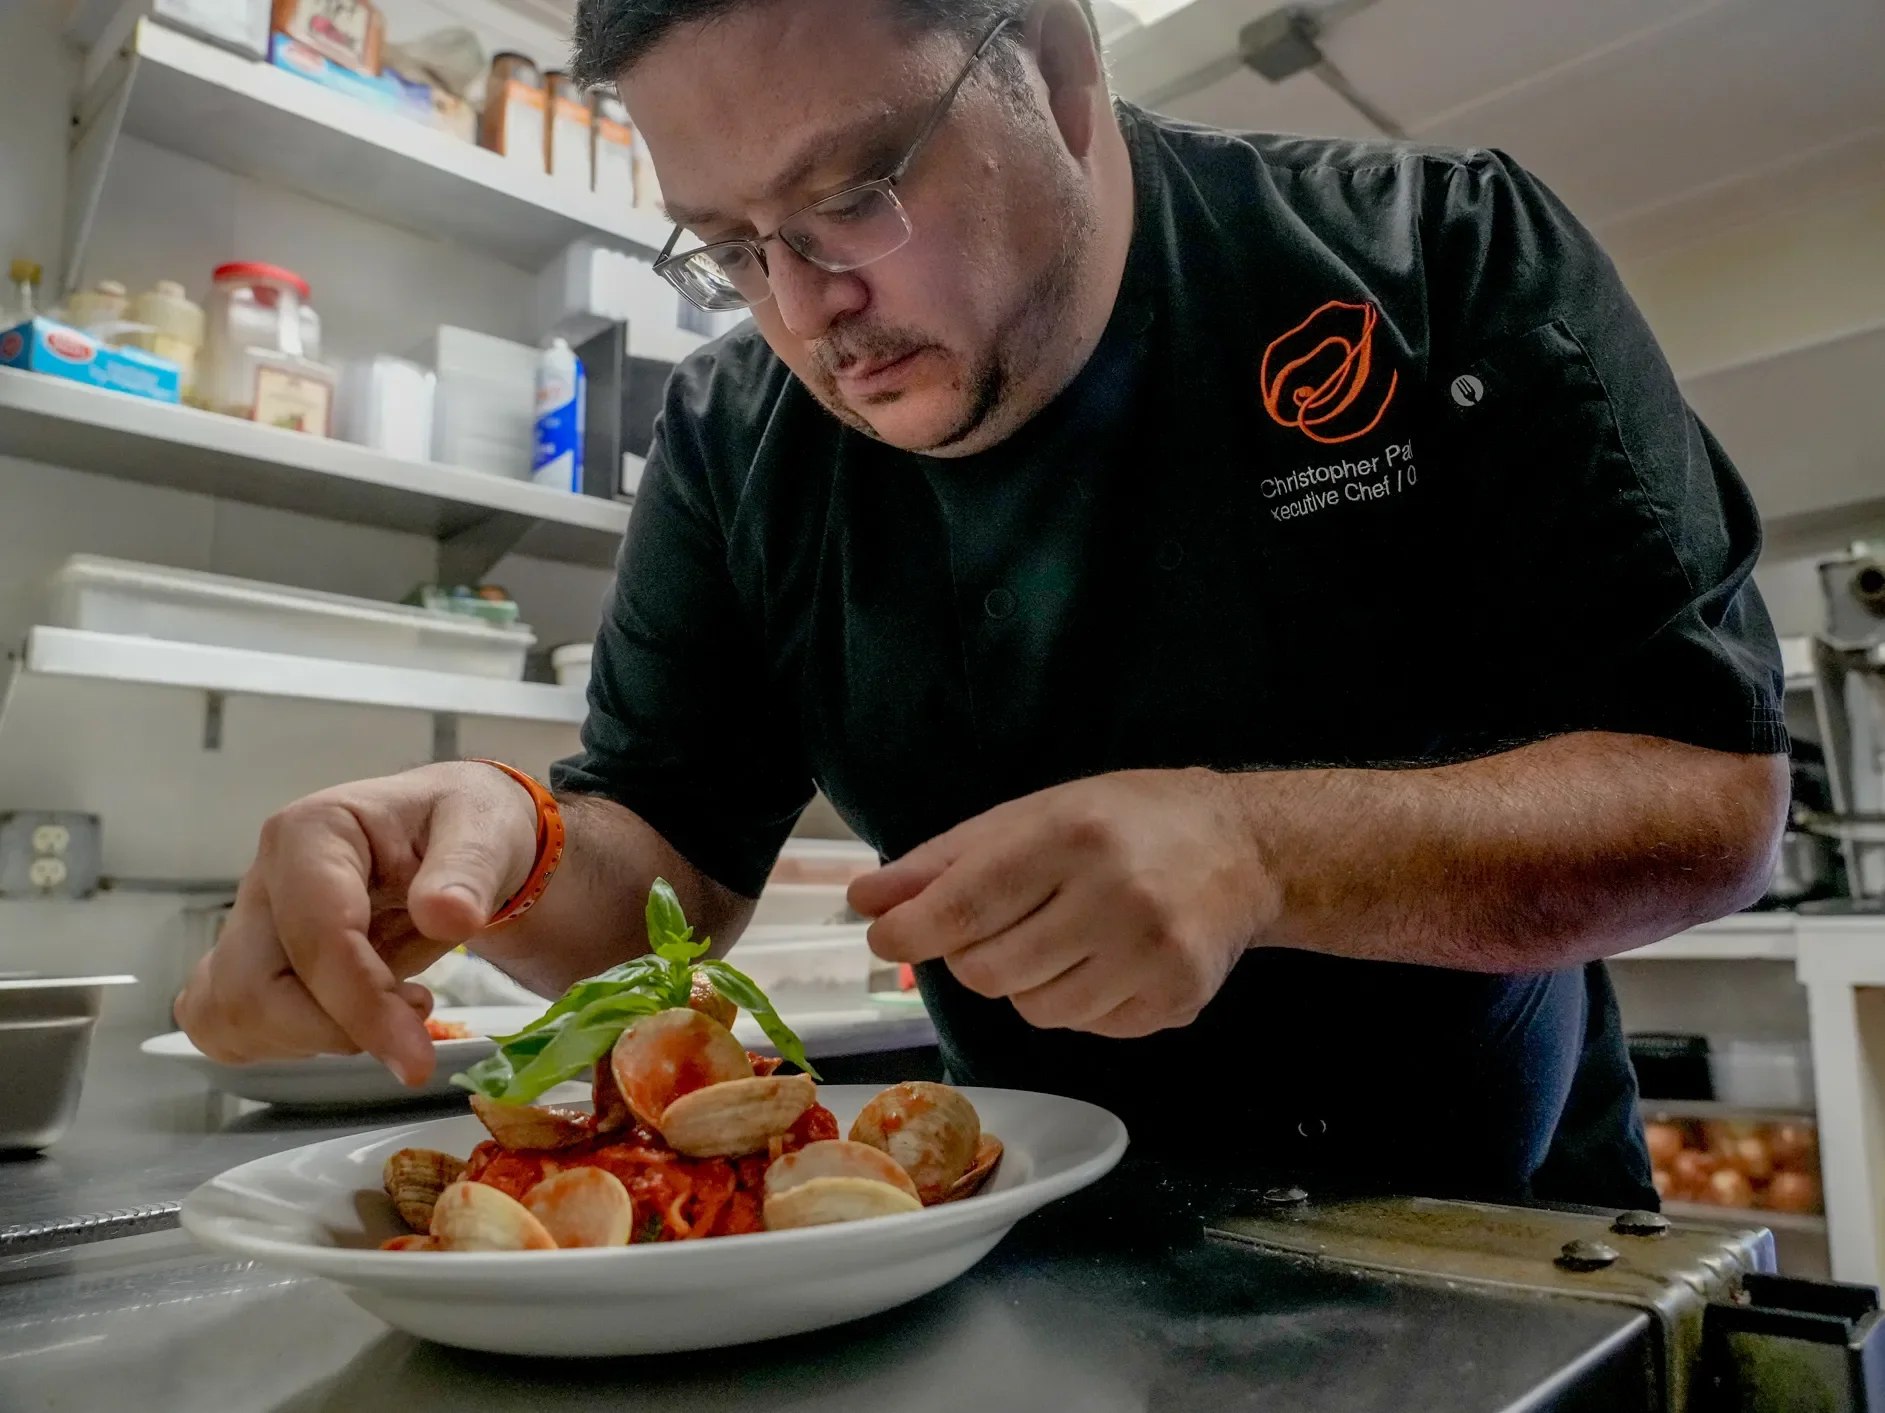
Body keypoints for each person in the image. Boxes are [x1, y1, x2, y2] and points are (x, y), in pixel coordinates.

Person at [176, 0, 1789, 1207]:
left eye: (854, 194)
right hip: (1010, 1233)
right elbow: (662, 858)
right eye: (733, 250)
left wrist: (1257, 852)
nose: (812, 313)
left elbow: (1713, 797)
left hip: (1492, 1234)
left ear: (1064, 70)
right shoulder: (743, 438)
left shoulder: (1424, 262)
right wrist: (494, 841)